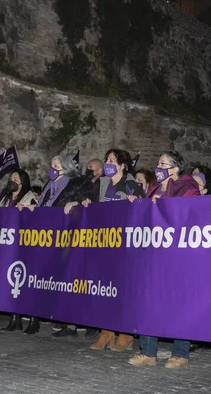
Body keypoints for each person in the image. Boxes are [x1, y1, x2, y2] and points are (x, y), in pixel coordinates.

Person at [65, 149, 145, 351]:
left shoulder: (131, 184)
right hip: (104, 244)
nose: (108, 163)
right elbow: (93, 205)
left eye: (112, 160)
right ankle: (106, 332)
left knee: (122, 291)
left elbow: (143, 212)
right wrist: (82, 203)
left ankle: (125, 334)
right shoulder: (102, 184)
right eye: (107, 160)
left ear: (123, 165)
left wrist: (135, 203)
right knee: (104, 290)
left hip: (124, 246)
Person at [128, 150, 200, 369]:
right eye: (158, 163)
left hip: (178, 257)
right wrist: (138, 204)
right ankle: (148, 351)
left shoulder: (189, 188)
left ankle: (180, 354)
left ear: (176, 169)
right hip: (154, 256)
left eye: (164, 164)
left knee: (178, 303)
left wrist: (164, 202)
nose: (158, 167)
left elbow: (186, 215)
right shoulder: (154, 189)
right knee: (148, 301)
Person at [21, 155, 94, 335]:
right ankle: (35, 317)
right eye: (51, 164)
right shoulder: (48, 185)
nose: (52, 167)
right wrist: (35, 208)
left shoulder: (77, 184)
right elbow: (44, 204)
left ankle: (69, 322)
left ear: (66, 167)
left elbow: (88, 202)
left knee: (63, 279)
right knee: (39, 277)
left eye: (56, 164)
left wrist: (75, 203)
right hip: (45, 236)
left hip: (64, 237)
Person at [0, 169, 38, 332]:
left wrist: (26, 210)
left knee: (27, 283)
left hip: (25, 245)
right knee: (11, 284)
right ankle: (15, 318)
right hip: (9, 245)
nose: (12, 180)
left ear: (23, 182)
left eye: (16, 178)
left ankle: (34, 321)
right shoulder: (6, 198)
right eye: (11, 178)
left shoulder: (30, 197)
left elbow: (35, 218)